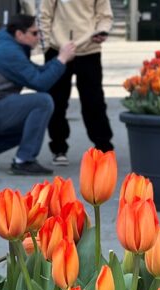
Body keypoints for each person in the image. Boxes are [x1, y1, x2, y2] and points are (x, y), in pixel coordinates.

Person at [0, 15, 76, 175]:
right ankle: (24, 160)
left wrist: (59, 59)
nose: (39, 37)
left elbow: (35, 72)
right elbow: (40, 83)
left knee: (32, 123)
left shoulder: (10, 45)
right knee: (43, 102)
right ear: (19, 34)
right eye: (34, 33)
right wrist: (62, 59)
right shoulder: (10, 52)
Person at [39, 0, 114, 166]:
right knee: (57, 101)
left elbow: (105, 15)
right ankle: (58, 148)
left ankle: (103, 147)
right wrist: (46, 46)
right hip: (58, 50)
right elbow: (44, 15)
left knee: (94, 101)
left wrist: (102, 31)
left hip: (89, 50)